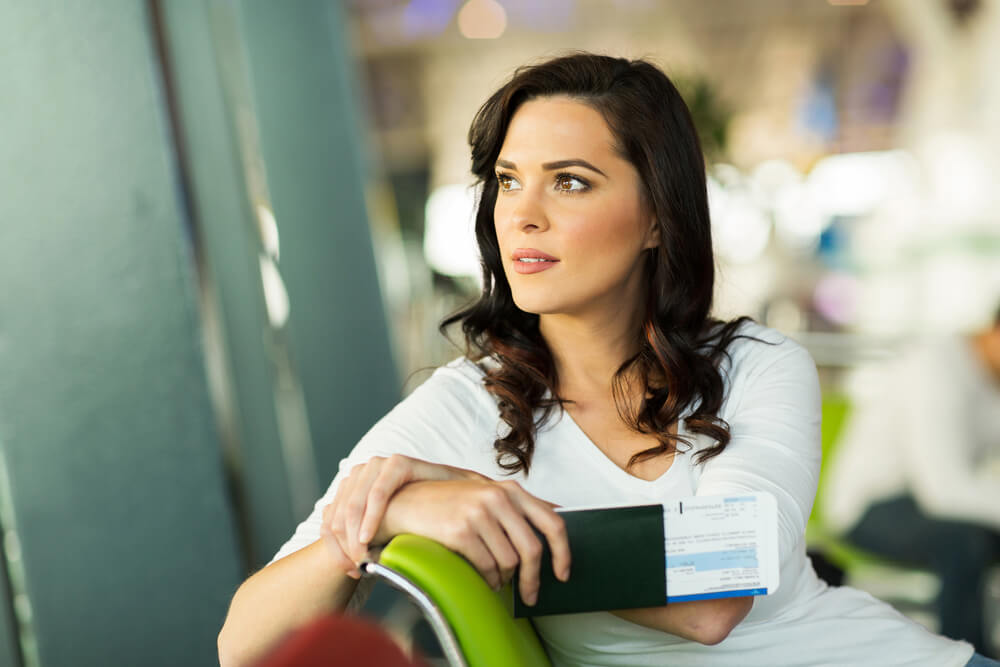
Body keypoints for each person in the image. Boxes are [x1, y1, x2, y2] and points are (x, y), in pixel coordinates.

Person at [217, 53, 991, 667]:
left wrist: (481, 507)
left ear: (657, 217)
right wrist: (395, 514)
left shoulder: (758, 364)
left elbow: (712, 598)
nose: (522, 211)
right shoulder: (462, 409)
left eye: (571, 182)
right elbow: (243, 643)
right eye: (509, 180)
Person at [824, 307, 1000, 657]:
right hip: (870, 507)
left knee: (979, 536)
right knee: (967, 541)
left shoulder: (990, 379)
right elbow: (944, 491)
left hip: (931, 503)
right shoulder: (936, 366)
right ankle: (964, 655)